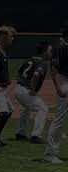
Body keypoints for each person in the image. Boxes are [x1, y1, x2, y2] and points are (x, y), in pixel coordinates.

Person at [14, 41, 52, 144]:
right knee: (43, 108)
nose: (50, 53)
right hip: (26, 90)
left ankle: (20, 133)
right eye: (50, 51)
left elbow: (19, 72)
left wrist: (21, 82)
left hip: (18, 88)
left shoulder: (30, 59)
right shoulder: (43, 62)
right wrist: (33, 89)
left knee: (25, 109)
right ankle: (36, 136)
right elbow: (36, 75)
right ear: (44, 52)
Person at [44, 25, 68, 164]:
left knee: (60, 120)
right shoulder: (60, 48)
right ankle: (49, 153)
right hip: (65, 84)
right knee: (59, 120)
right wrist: (59, 88)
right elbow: (53, 71)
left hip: (64, 84)